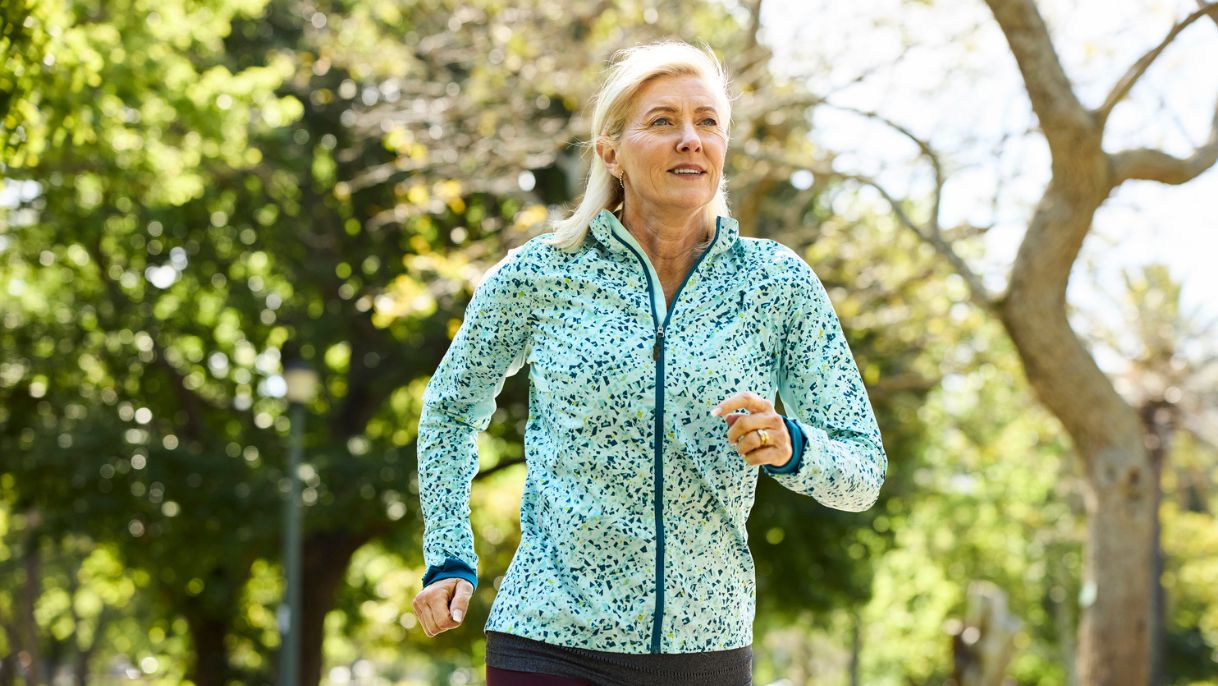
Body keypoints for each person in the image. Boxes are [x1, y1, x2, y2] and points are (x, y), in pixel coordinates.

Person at [412, 41, 887, 686]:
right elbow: (449, 410)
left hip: (706, 654)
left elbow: (863, 470)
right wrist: (448, 557)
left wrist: (792, 447)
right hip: (549, 645)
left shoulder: (777, 284)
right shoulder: (542, 274)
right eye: (662, 122)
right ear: (611, 151)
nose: (690, 139)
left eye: (707, 122)